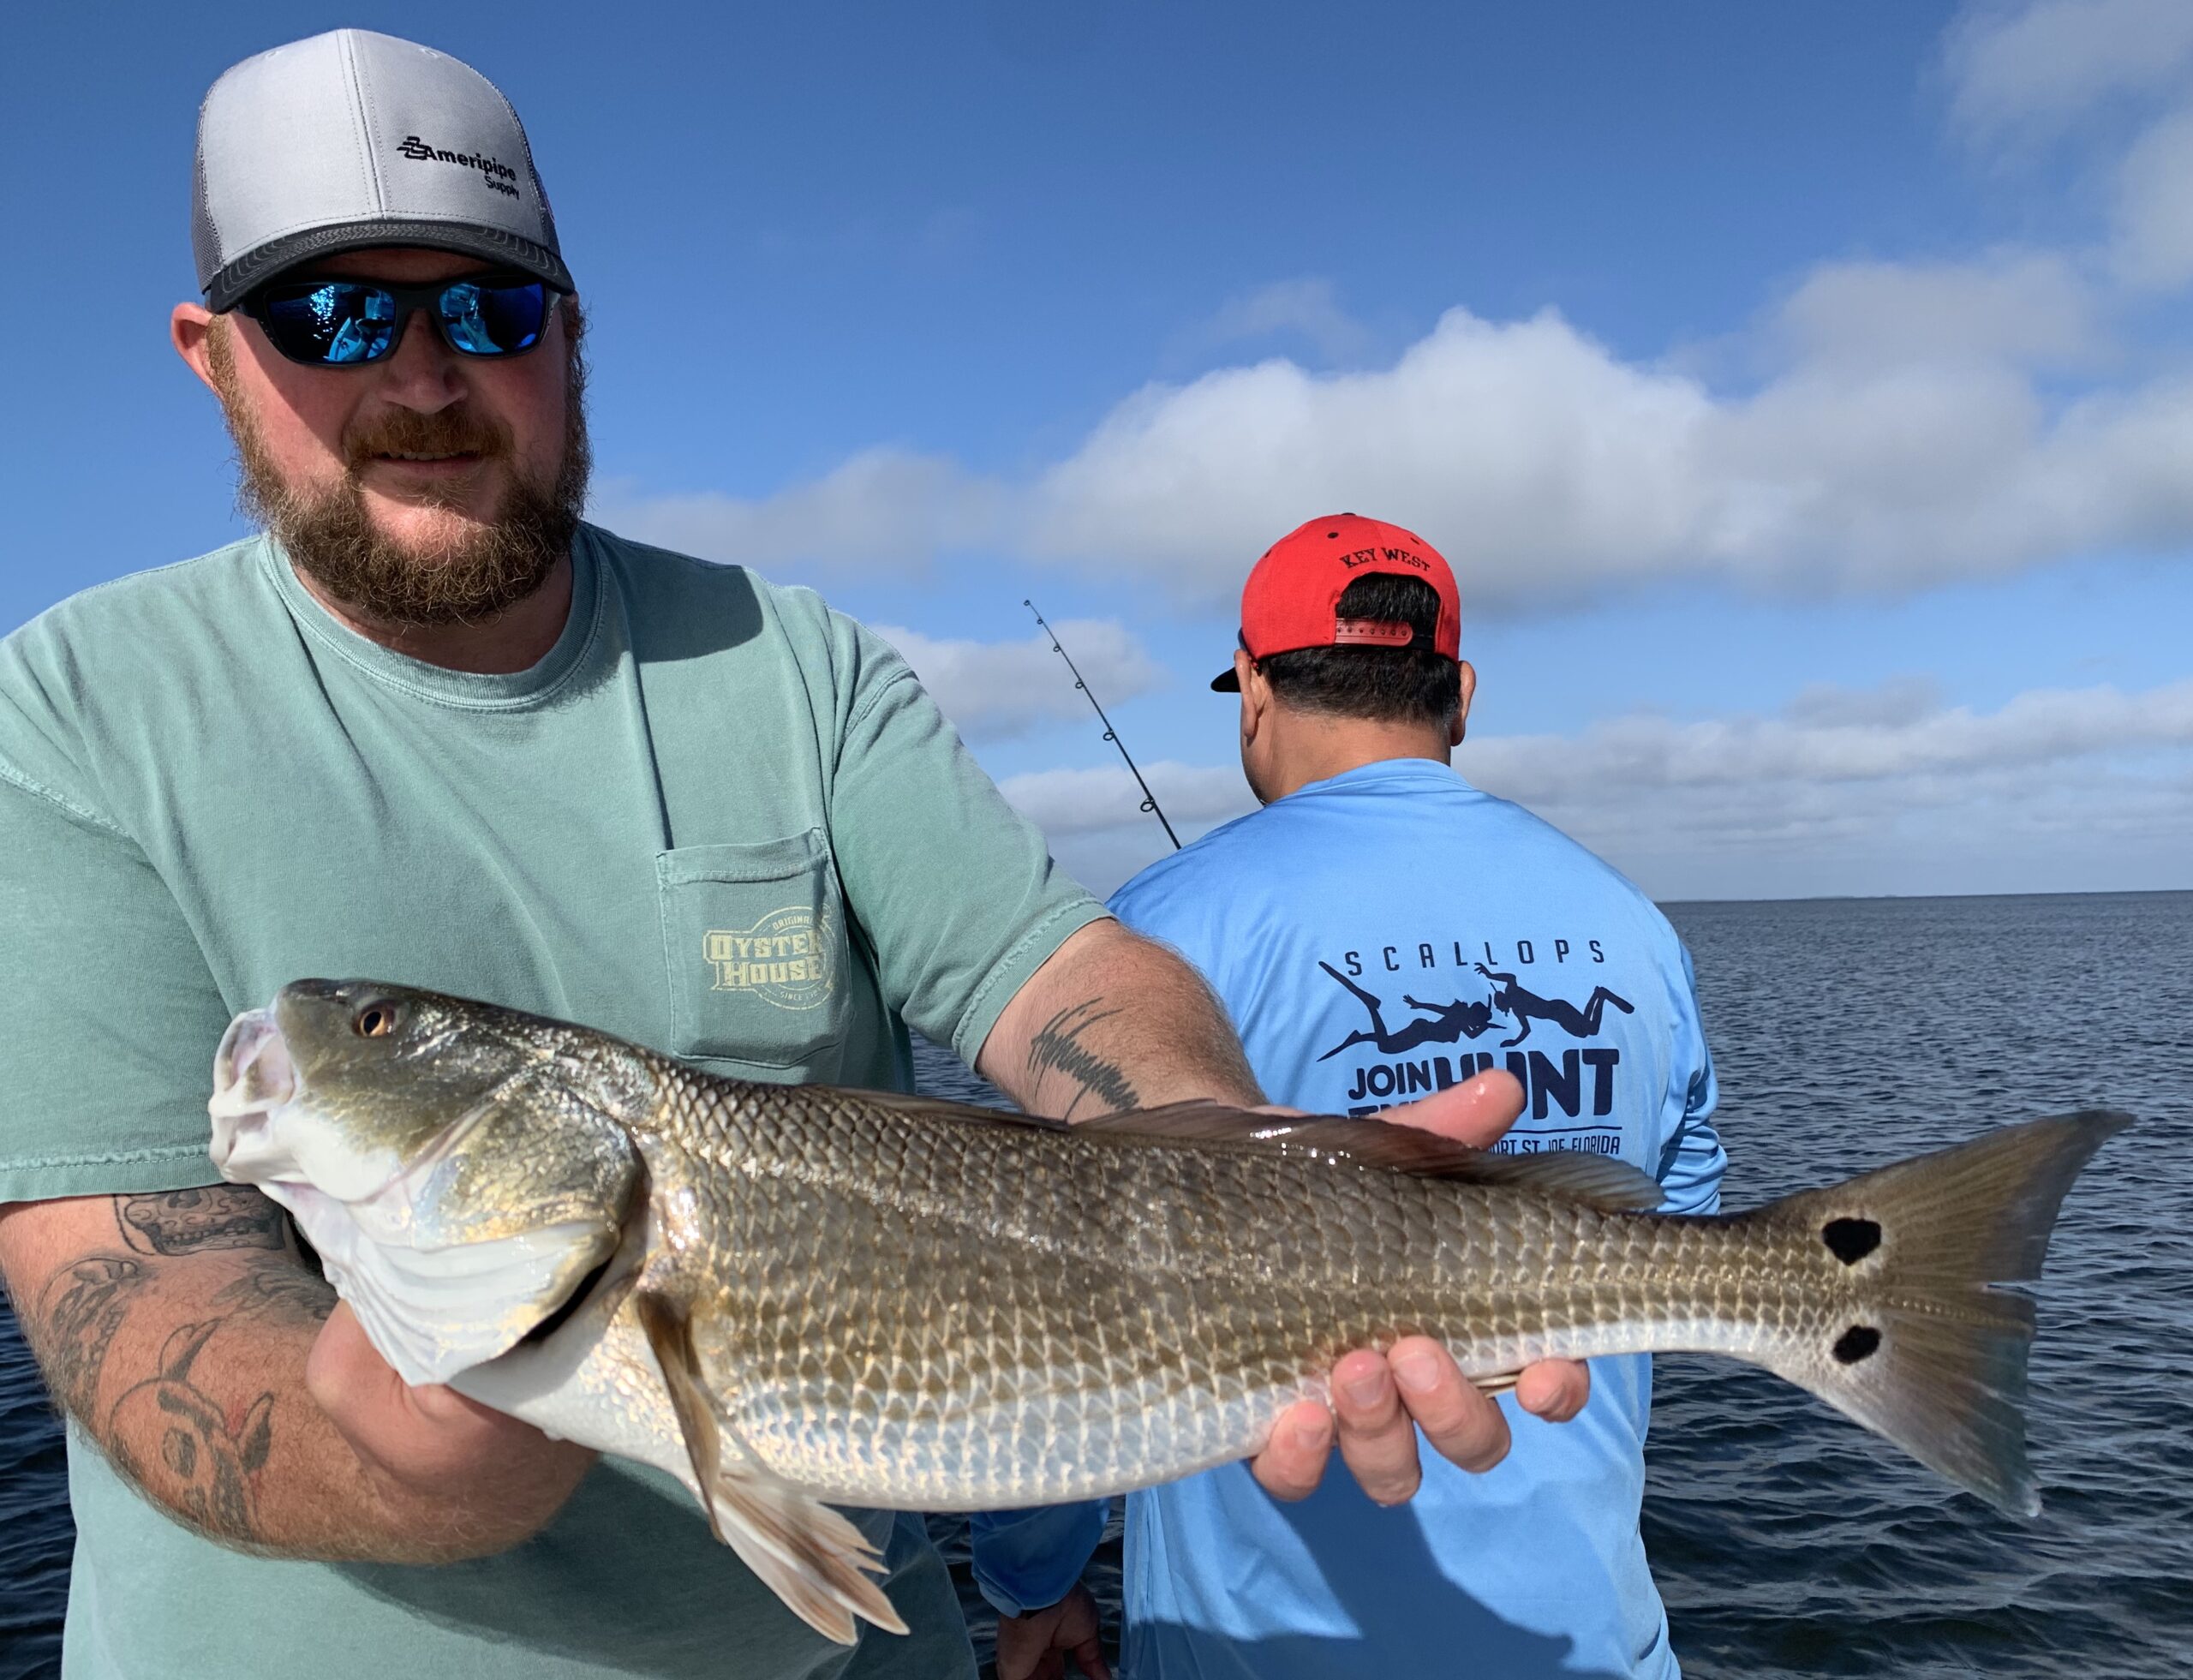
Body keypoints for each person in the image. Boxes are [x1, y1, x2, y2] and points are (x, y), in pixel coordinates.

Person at [0, 38, 1582, 1680]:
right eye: (331, 314)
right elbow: (124, 1296)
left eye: (487, 309)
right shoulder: (67, 714)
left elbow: (1060, 970)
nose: (419, 378)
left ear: (571, 334)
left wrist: (1247, 1172)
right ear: (210, 354)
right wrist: (401, 1464)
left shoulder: (789, 658)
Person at [977, 514, 1725, 1679]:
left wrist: (1035, 1576)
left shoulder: (1152, 937)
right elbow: (1668, 1242)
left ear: (1257, 691)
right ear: (1460, 692)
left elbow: (1050, 1316)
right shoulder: (1634, 925)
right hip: (1590, 1644)